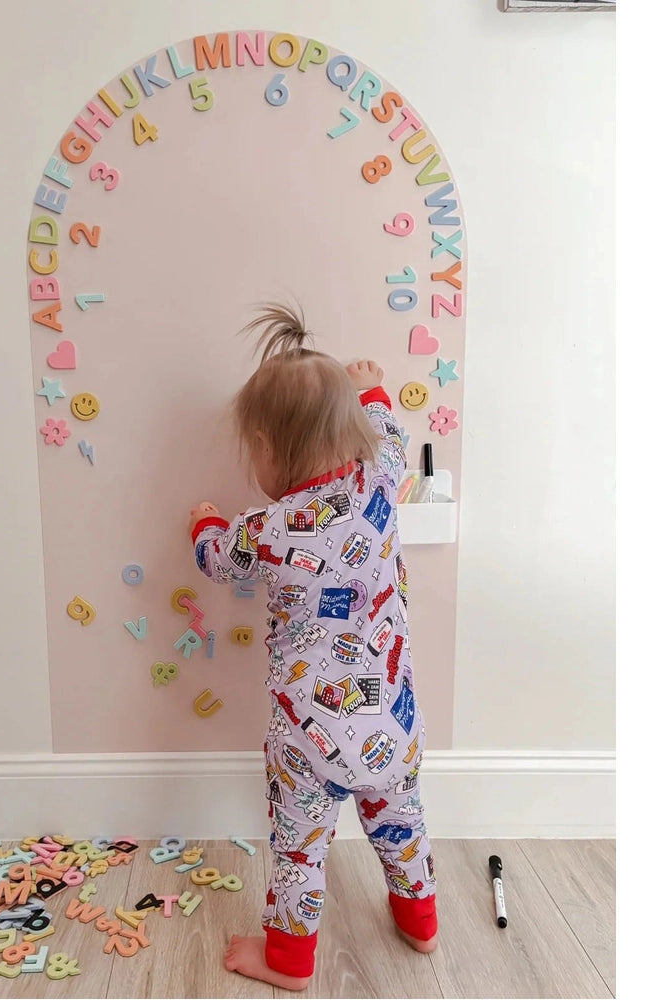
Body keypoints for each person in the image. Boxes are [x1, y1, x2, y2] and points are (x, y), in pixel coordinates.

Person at [188, 304, 438, 990]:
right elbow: (390, 429)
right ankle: (420, 921)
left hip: (307, 742)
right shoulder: (383, 478)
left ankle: (290, 960)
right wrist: (373, 389)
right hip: (392, 721)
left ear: (270, 447)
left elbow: (216, 559)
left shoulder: (267, 529)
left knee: (298, 852)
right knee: (402, 822)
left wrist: (205, 522)